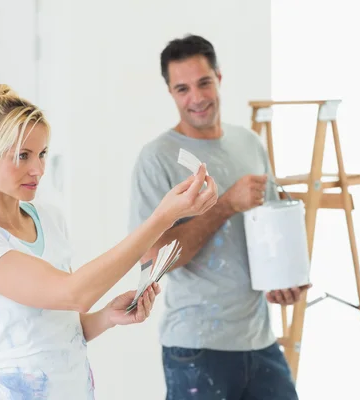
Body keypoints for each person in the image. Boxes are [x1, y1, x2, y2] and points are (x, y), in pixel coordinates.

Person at [0, 84, 218, 399]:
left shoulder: (48, 218)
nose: (39, 169)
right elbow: (74, 294)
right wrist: (161, 219)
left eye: (42, 153)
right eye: (22, 155)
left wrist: (106, 317)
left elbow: (60, 328)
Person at [128, 35, 309, 399]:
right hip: (196, 348)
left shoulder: (249, 143)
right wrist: (225, 203)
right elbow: (154, 259)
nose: (196, 97)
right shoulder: (158, 158)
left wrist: (282, 278)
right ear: (170, 93)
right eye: (182, 88)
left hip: (260, 341)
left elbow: (267, 229)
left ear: (220, 78)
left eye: (204, 82)